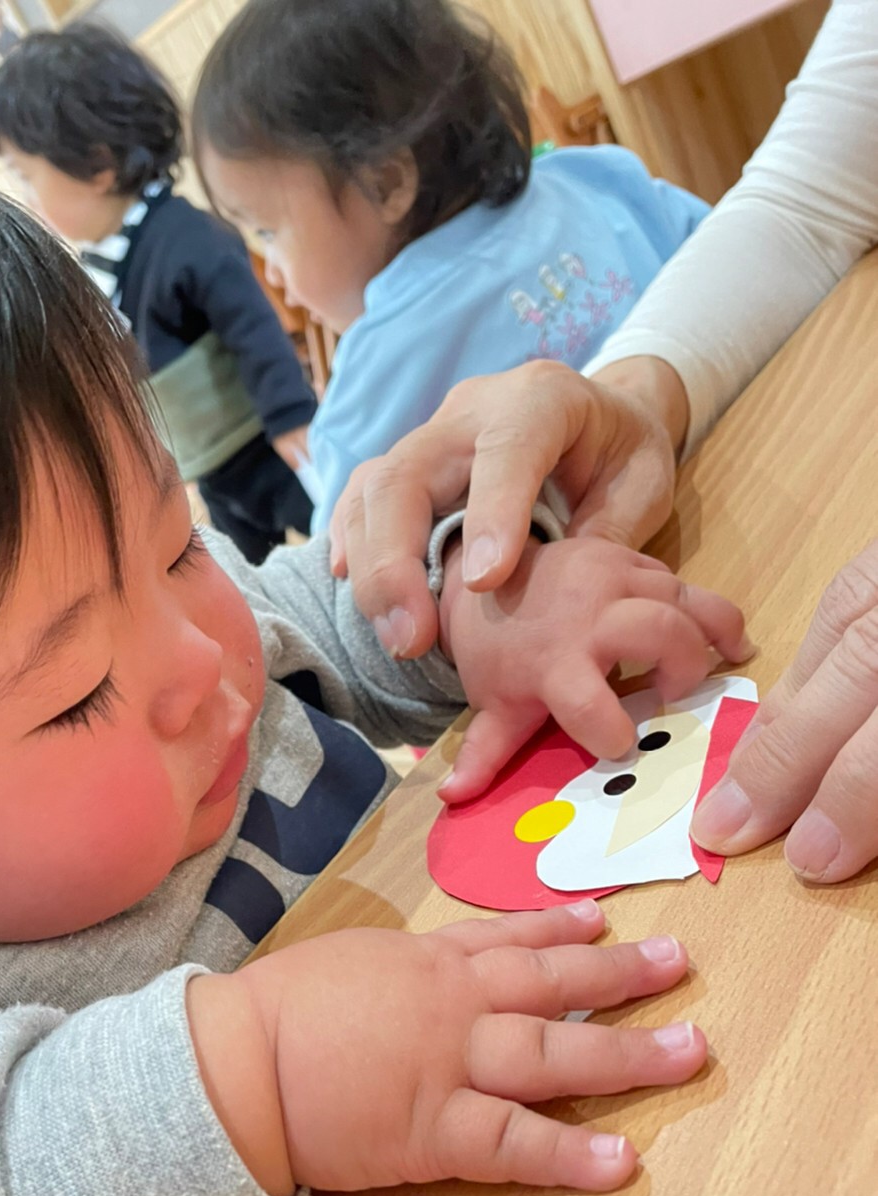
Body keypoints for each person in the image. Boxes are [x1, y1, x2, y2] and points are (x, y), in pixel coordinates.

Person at [0, 110, 754, 1196]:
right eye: (73, 693)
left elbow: (306, 610)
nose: (200, 659)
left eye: (175, 544)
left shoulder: (186, 639)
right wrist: (257, 1071)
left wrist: (472, 603)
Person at [330, 0, 878, 882]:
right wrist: (630, 402)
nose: (277, 277)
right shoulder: (604, 173)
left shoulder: (365, 368)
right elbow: (810, 193)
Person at [191, 0, 709, 530]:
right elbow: (723, 257)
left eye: (267, 232)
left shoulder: (376, 378)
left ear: (385, 183)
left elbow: (348, 562)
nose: (272, 273)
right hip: (736, 470)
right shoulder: (596, 178)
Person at [0, 24, 316, 564]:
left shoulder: (183, 237)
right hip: (209, 463)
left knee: (325, 529)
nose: (26, 197)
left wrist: (290, 414)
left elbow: (253, 325)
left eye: (27, 176)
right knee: (244, 567)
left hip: (263, 444)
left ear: (97, 164)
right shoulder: (99, 261)